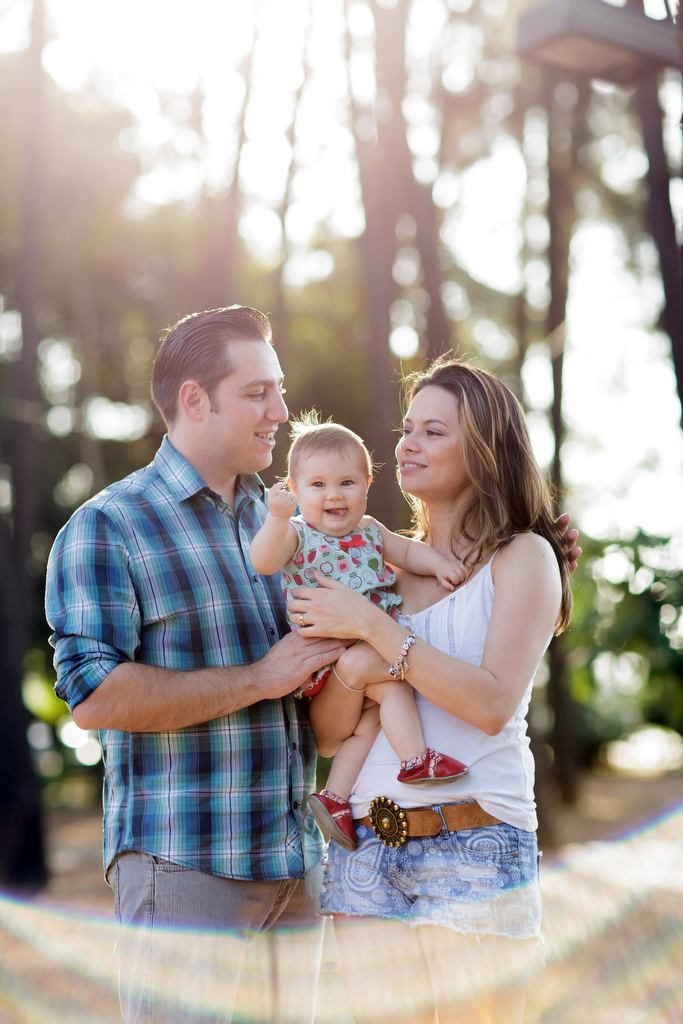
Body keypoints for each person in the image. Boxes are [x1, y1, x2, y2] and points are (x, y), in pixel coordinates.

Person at [44, 306, 347, 1024]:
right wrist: (260, 679)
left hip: (294, 871)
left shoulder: (286, 526)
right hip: (186, 869)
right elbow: (92, 697)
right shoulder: (108, 526)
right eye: (257, 393)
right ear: (193, 399)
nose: (280, 411)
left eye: (277, 390)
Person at [286, 356, 575, 1024]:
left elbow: (490, 702)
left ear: (482, 450)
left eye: (432, 432)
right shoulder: (374, 568)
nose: (406, 444)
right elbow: (331, 734)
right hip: (364, 847)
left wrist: (372, 632)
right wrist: (355, 670)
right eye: (407, 428)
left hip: (471, 836)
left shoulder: (523, 557)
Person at [249, 414, 469, 851]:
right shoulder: (299, 535)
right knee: (395, 688)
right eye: (317, 485)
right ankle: (415, 759)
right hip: (327, 653)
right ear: (294, 490)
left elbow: (407, 551)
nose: (333, 494)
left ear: (367, 483)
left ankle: (334, 796)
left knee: (367, 726)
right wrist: (276, 519)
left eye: (347, 483)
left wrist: (440, 563)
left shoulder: (370, 531)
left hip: (364, 643)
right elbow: (263, 561)